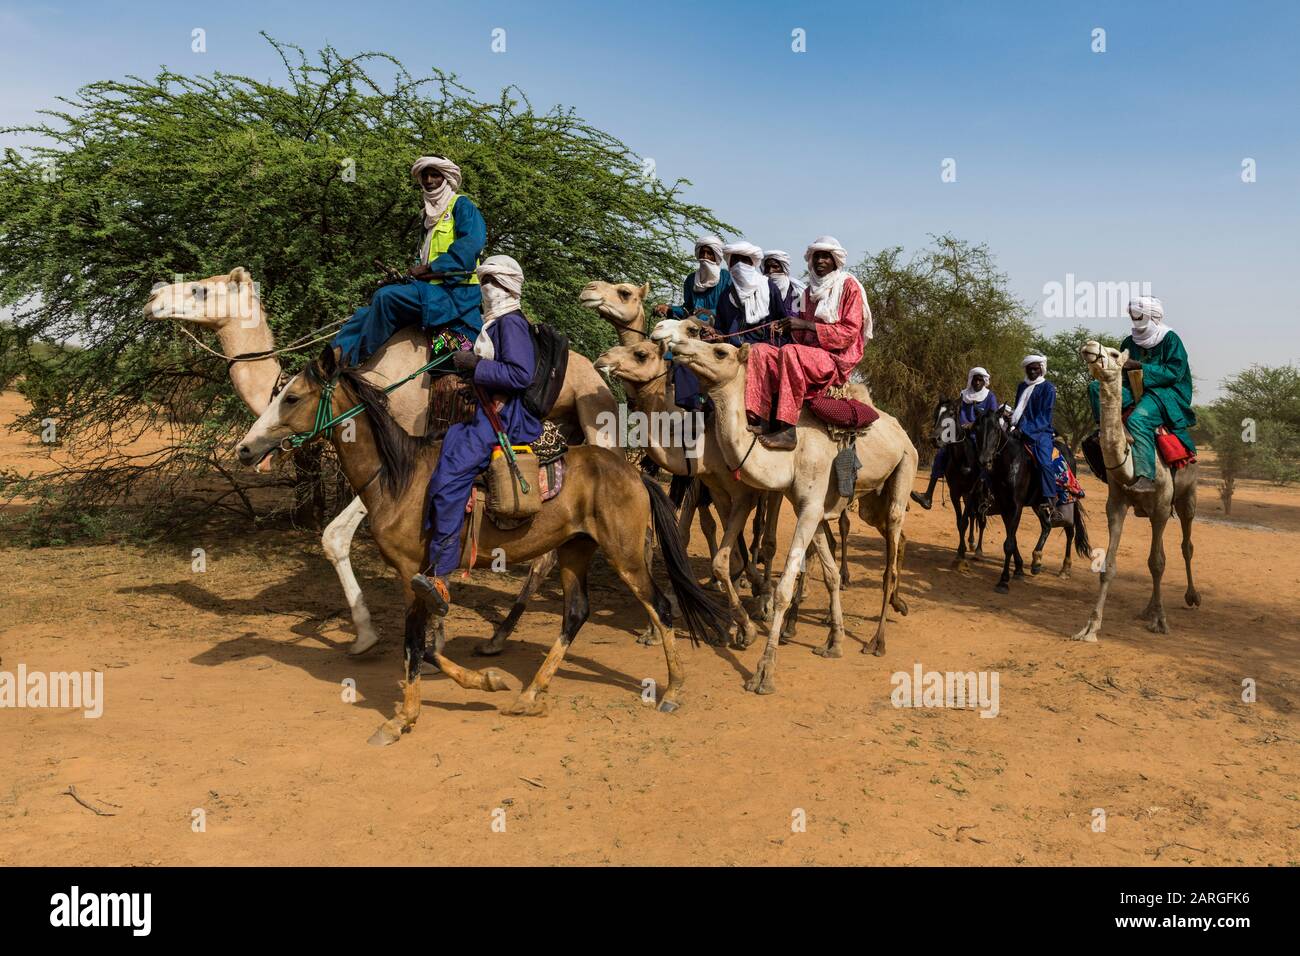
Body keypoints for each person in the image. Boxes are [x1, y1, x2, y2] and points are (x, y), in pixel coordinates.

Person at [411, 255, 543, 614]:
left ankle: (441, 574)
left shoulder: (510, 324)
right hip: (487, 408)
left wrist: (476, 366)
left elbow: (520, 375)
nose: (487, 289)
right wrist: (475, 379)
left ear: (509, 286)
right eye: (484, 281)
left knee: (451, 476)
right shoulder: (494, 323)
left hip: (505, 418)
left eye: (494, 282)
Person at [333, 156, 487, 367]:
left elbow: (472, 243)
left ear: (447, 178)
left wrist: (431, 267)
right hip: (430, 290)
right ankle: (332, 360)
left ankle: (354, 362)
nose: (429, 180)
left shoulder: (462, 205)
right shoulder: (427, 216)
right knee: (363, 314)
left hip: (456, 294)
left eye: (435, 175)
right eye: (425, 175)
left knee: (385, 297)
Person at [743, 236, 870, 449]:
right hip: (808, 355)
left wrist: (805, 325)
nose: (820, 261)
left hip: (834, 359)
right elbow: (800, 339)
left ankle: (788, 429)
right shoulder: (808, 292)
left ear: (835, 260)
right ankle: (761, 419)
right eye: (816, 257)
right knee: (760, 350)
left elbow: (849, 333)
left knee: (791, 352)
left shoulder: (849, 287)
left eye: (825, 257)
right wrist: (787, 328)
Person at [1088, 296, 1196, 494]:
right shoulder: (1130, 341)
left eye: (1137, 314)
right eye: (1131, 314)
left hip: (1166, 393)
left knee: (1138, 419)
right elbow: (1123, 372)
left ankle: (1147, 476)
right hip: (1134, 386)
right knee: (1096, 387)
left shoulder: (1170, 339)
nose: (1133, 317)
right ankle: (1105, 429)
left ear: (1150, 315)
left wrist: (1140, 366)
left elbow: (1174, 373)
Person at [653, 235, 732, 411]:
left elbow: (732, 309)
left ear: (717, 256)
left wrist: (709, 312)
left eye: (709, 253)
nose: (704, 256)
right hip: (690, 327)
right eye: (702, 252)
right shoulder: (691, 280)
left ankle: (703, 401)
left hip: (716, 327)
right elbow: (687, 308)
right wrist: (669, 309)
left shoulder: (727, 278)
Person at [911, 367, 997, 510]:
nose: (977, 382)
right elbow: (957, 413)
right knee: (941, 454)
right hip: (959, 434)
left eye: (980, 380)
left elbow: (992, 417)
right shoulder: (963, 395)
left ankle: (989, 494)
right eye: (975, 379)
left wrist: (974, 424)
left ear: (985, 382)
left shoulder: (990, 397)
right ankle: (928, 495)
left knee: (987, 459)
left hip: (979, 435)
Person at [1002, 354, 1064, 522]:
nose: (1032, 371)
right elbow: (1019, 409)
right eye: (1029, 369)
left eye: (1035, 368)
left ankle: (1051, 500)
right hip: (1019, 429)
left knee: (1044, 462)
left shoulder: (1048, 388)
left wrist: (1024, 430)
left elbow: (1044, 417)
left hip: (1040, 432)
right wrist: (1012, 419)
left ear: (1041, 370)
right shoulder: (1022, 386)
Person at [713, 241, 788, 346]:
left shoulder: (769, 288)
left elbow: (784, 325)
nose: (739, 265)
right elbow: (721, 330)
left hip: (765, 349)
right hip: (733, 352)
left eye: (744, 260)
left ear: (752, 264)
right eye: (735, 260)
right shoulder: (726, 296)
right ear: (730, 265)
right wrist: (714, 334)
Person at [761, 250, 805, 320]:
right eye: (767, 267)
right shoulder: (760, 290)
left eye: (775, 267)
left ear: (784, 268)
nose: (770, 271)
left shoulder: (796, 290)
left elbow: (803, 316)